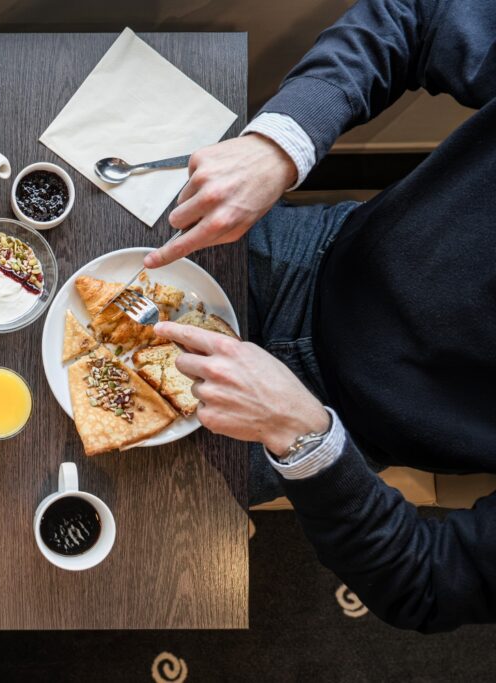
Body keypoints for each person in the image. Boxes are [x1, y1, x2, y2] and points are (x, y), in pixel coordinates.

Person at [144, 0, 496, 632]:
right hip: (317, 251)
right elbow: (419, 15)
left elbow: (426, 584)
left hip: (333, 423)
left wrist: (303, 436)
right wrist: (281, 145)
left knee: (126, 497)